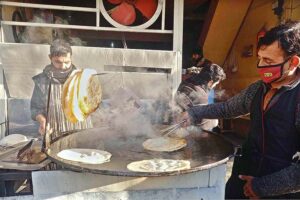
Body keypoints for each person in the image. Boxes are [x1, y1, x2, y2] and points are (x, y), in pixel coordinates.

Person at [177, 20, 300, 198]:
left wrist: (262, 187)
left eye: (268, 60)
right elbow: (227, 109)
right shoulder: (258, 88)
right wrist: (193, 113)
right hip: (243, 176)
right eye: (259, 58)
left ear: (294, 62)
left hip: (279, 191)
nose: (261, 66)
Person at [30, 39, 92, 136]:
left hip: (82, 133)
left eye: (67, 62)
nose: (63, 66)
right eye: (58, 62)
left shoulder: (82, 78)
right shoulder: (41, 81)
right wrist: (42, 120)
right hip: (55, 133)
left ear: (71, 57)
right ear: (50, 57)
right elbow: (35, 109)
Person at [175, 64, 226, 130]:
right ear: (210, 82)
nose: (214, 87)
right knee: (215, 122)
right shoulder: (202, 98)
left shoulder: (185, 82)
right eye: (215, 84)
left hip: (174, 118)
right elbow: (203, 125)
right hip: (188, 131)